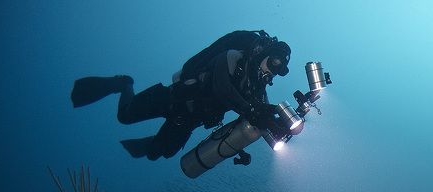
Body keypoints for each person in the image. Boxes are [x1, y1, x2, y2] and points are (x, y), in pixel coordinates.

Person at [71, 30, 291, 161]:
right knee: (125, 116)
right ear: (264, 53)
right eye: (273, 63)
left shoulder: (257, 90)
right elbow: (223, 89)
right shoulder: (232, 57)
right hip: (172, 99)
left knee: (160, 153)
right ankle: (124, 83)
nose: (271, 71)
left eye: (278, 70)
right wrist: (252, 110)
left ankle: (154, 144)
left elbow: (260, 117)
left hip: (187, 121)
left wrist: (276, 128)